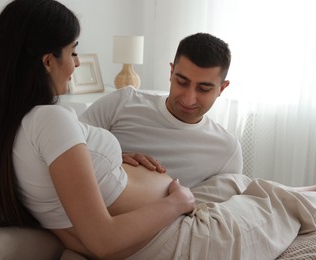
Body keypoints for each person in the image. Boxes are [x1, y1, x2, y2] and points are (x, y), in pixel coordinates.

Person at [0, 0, 316, 259]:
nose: (77, 63)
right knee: (279, 206)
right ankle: (314, 193)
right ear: (48, 60)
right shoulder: (51, 120)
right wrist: (177, 202)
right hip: (181, 236)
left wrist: (109, 161)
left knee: (240, 184)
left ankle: (309, 188)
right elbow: (102, 240)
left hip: (171, 217)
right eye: (73, 50)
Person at [79, 32, 242, 188]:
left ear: (222, 88)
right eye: (182, 82)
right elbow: (64, 152)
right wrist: (115, 159)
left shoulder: (227, 150)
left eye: (204, 89)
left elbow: (222, 210)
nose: (189, 99)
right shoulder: (122, 103)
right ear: (171, 72)